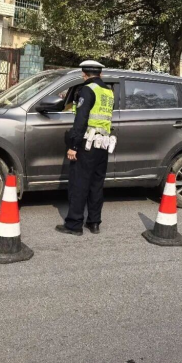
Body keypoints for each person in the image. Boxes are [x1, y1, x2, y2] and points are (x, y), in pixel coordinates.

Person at [56, 60, 114, 236]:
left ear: (84, 75)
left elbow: (81, 120)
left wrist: (73, 145)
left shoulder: (87, 90)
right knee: (96, 185)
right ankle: (94, 223)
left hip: (87, 144)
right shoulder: (108, 91)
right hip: (103, 143)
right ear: (100, 74)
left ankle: (74, 224)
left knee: (79, 184)